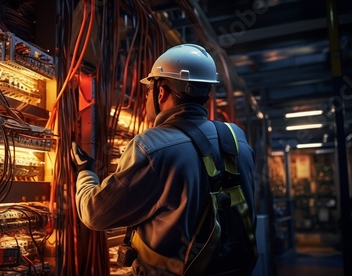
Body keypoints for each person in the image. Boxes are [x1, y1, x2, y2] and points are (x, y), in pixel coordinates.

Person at [71, 44, 257, 275]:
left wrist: (85, 171)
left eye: (148, 89)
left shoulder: (152, 146)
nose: (147, 96)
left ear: (162, 91)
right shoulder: (236, 138)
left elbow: (94, 214)